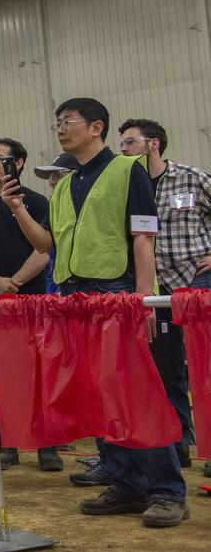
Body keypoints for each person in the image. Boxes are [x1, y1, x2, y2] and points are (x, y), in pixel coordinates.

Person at [4, 98, 187, 528]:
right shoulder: (66, 184)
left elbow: (144, 237)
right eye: (57, 122)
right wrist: (16, 208)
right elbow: (46, 246)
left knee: (135, 394)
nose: (60, 128)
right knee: (100, 395)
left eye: (68, 121)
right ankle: (126, 484)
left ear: (96, 127)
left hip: (116, 295)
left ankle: (167, 491)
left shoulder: (128, 170)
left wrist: (142, 300)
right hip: (75, 299)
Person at [0, 137, 61, 472]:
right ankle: (6, 445)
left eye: (0, 159)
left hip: (33, 297)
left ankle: (47, 445)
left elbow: (45, 249)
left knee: (41, 371)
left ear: (18, 163)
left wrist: (14, 282)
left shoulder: (38, 202)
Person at [118, 118, 201, 469]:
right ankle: (174, 442)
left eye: (130, 142)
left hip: (193, 283)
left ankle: (198, 442)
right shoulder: (122, 184)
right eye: (121, 143)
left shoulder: (190, 178)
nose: (123, 149)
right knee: (163, 369)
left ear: (153, 144)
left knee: (198, 367)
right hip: (150, 287)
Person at [32, 153, 77, 295]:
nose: (51, 181)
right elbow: (43, 247)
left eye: (58, 175)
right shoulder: (54, 207)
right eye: (50, 176)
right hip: (59, 283)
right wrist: (18, 208)